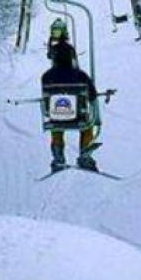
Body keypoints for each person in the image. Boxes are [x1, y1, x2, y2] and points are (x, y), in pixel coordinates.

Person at [42, 19, 99, 172]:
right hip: (78, 117)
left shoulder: (46, 77)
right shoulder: (81, 76)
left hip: (56, 117)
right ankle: (85, 155)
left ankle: (58, 157)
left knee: (57, 124)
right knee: (87, 126)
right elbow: (93, 96)